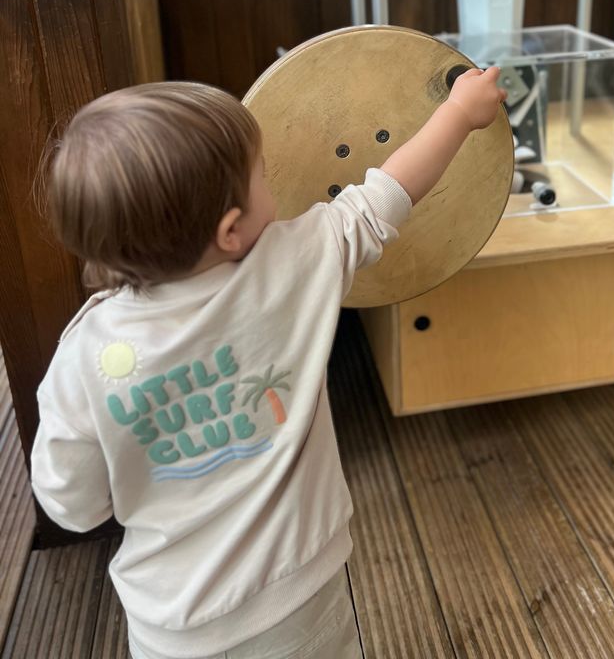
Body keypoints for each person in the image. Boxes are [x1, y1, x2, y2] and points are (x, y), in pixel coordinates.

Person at [30, 66, 506, 659]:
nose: (273, 182)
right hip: (299, 597)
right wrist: (461, 111)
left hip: (173, 624)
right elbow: (385, 195)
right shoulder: (291, 265)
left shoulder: (83, 358)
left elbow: (71, 508)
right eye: (262, 174)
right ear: (231, 230)